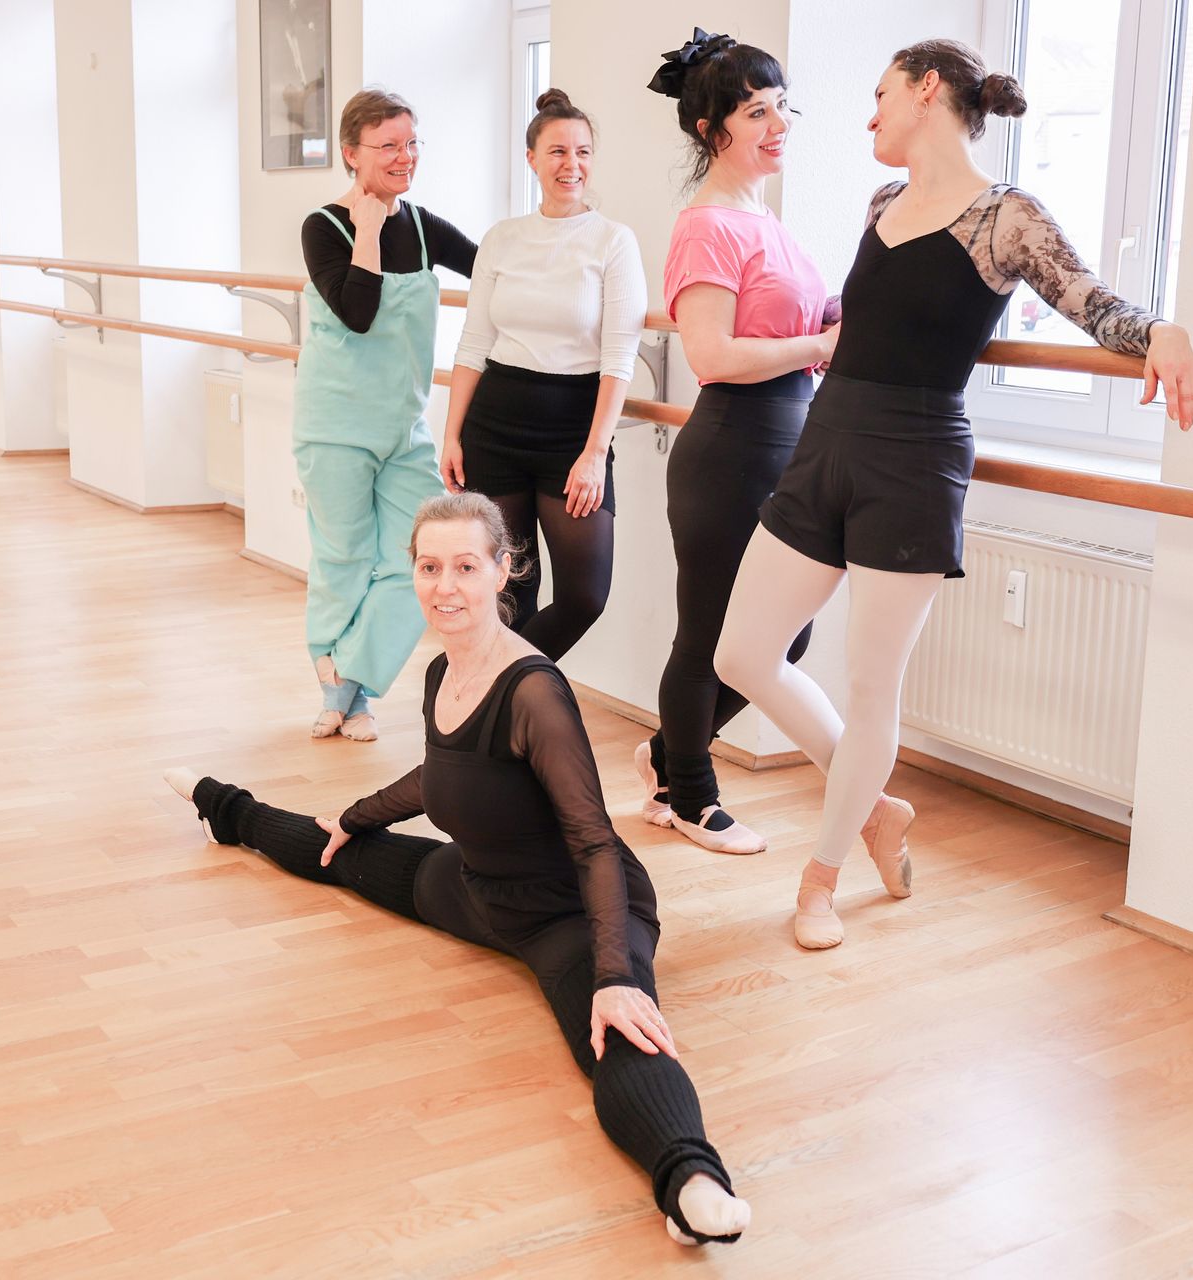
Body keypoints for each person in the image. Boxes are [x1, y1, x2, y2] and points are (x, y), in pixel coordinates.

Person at [713, 39, 1193, 949]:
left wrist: (1164, 330)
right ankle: (872, 807)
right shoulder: (882, 204)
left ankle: (819, 884)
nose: (869, 115)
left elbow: (1093, 304)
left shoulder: (1004, 217)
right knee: (741, 654)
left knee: (870, 685)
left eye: (879, 94)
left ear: (926, 90)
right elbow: (863, 323)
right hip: (829, 442)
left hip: (915, 458)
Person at [164, 492, 752, 1245]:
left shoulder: (535, 692)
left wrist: (612, 975)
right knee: (333, 852)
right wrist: (354, 816)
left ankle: (692, 1183)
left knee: (616, 1036)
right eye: (430, 567)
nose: (446, 586)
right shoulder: (445, 672)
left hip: (571, 914)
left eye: (466, 567)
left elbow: (596, 843)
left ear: (503, 571)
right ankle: (222, 805)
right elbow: (445, 773)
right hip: (479, 890)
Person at [637, 29, 914, 864]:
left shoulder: (766, 220)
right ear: (707, 129)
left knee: (778, 644)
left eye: (782, 106)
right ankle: (689, 794)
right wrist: (816, 346)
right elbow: (713, 355)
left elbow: (803, 318)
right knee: (710, 635)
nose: (778, 123)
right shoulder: (708, 226)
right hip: (732, 447)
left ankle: (664, 760)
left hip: (790, 444)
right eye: (756, 111)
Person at [293, 88, 477, 742]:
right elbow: (358, 311)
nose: (405, 157)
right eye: (389, 146)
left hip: (402, 430)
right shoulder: (325, 227)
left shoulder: (424, 227)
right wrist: (368, 230)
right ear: (351, 153)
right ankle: (344, 697)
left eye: (412, 143)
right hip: (335, 425)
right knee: (344, 556)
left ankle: (353, 672)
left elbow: (491, 267)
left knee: (421, 555)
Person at [440, 89, 647, 662]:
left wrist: (594, 452)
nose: (571, 164)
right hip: (496, 425)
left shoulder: (613, 241)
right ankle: (505, 728)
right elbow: (475, 343)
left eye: (582, 151)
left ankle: (483, 689)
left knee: (584, 594)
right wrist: (453, 433)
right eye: (557, 151)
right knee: (509, 590)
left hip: (574, 433)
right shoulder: (503, 238)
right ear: (532, 158)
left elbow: (619, 356)